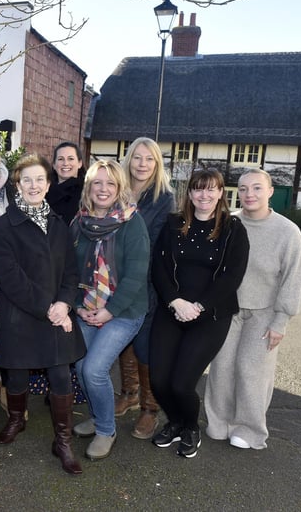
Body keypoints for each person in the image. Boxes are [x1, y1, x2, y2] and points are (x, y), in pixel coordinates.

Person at [0, 154, 86, 475]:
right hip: (20, 314)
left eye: (39, 180)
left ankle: (62, 440)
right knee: (16, 375)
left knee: (60, 375)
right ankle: (17, 420)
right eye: (26, 180)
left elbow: (71, 272)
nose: (33, 185)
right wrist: (50, 308)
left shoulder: (60, 225)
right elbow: (9, 276)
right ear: (17, 185)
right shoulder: (3, 226)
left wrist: (64, 304)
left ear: (48, 185)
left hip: (57, 313)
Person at [149, 169, 249, 459]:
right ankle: (176, 422)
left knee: (182, 383)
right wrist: (175, 302)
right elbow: (158, 268)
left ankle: (191, 427)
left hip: (212, 314)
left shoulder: (233, 229)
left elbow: (232, 277)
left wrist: (199, 307)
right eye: (198, 189)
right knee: (159, 380)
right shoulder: (173, 224)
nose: (204, 195)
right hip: (173, 309)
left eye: (211, 189)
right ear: (189, 194)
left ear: (220, 193)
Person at [204, 169, 301, 450]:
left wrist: (281, 320)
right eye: (244, 189)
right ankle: (220, 422)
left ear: (270, 191)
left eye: (257, 188)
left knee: (251, 370)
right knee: (222, 368)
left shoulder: (287, 232)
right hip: (228, 310)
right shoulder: (228, 224)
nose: (250, 194)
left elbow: (293, 279)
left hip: (264, 311)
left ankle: (249, 430)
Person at [71, 159, 150, 461]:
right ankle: (99, 414)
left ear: (119, 188)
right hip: (87, 307)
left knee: (94, 368)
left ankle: (106, 430)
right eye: (97, 183)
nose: (103, 189)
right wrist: (78, 306)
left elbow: (136, 275)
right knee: (80, 366)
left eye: (110, 184)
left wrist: (110, 311)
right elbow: (68, 270)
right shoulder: (79, 223)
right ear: (89, 188)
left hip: (125, 309)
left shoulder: (132, 222)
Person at [108, 138, 175, 440]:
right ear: (129, 160)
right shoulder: (117, 191)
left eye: (149, 159)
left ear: (157, 163)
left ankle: (150, 408)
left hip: (146, 279)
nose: (143, 164)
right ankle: (129, 392)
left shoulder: (164, 197)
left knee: (145, 343)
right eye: (137, 158)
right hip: (114, 277)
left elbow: (158, 242)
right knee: (123, 339)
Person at [45, 142, 85, 224]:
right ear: (54, 165)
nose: (65, 163)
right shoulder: (43, 190)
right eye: (60, 159)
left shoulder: (87, 191)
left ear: (79, 163)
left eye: (70, 159)